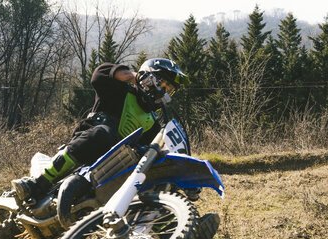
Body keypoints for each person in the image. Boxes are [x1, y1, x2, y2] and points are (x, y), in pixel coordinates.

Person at [12, 58, 200, 202]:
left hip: (115, 165)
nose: (164, 91)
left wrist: (186, 179)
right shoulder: (121, 90)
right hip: (89, 143)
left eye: (169, 89)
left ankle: (170, 227)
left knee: (153, 169)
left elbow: (159, 153)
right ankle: (38, 183)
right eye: (162, 83)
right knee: (105, 134)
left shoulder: (152, 122)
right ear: (148, 76)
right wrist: (133, 76)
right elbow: (99, 74)